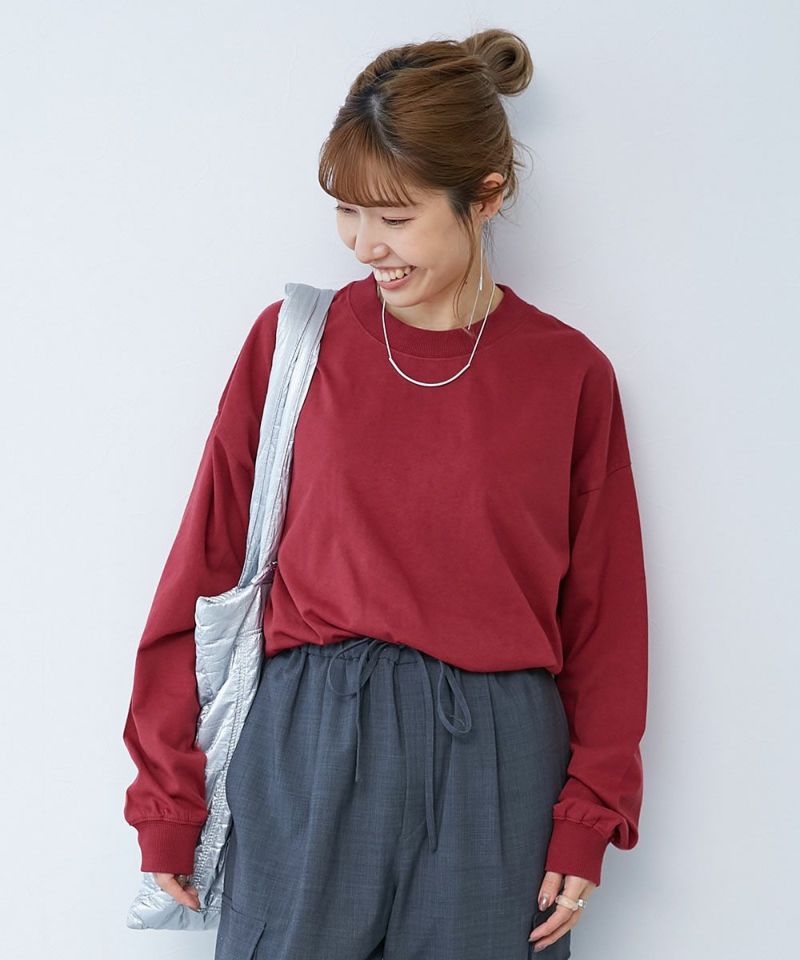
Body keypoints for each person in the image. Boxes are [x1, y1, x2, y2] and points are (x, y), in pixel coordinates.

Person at [122, 28, 648, 959]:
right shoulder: (294, 346)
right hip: (309, 749)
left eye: (396, 217)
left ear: (484, 197)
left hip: (497, 772)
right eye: (347, 211)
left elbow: (605, 618)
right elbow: (205, 567)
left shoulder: (569, 376)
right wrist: (168, 797)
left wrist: (589, 814)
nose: (367, 245)